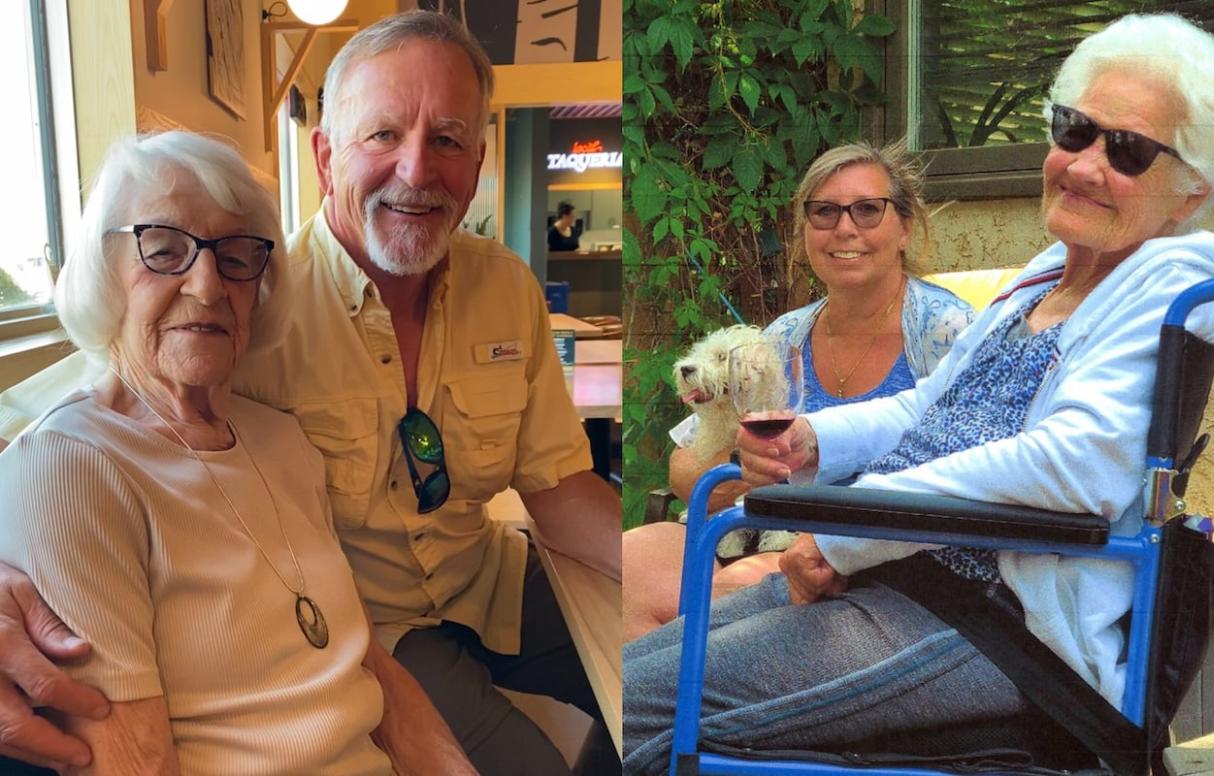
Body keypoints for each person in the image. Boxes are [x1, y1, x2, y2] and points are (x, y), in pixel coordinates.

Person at [0, 11, 619, 776]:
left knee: (654, 682)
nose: (418, 170)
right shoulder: (246, 316)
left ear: (479, 159)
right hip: (378, 629)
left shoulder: (498, 289)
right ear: (325, 157)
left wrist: (683, 568)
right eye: (383, 135)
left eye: (448, 139)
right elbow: (66, 427)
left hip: (480, 577)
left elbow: (558, 487)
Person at [623, 13, 1214, 773]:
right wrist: (816, 442)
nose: (1084, 165)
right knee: (631, 675)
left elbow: (1076, 467)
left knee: (641, 712)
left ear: (1189, 194)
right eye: (1074, 129)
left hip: (997, 626)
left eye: (1130, 150)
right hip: (905, 580)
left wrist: (849, 527)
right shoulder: (1048, 273)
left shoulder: (1169, 282)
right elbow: (932, 407)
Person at [0, 131, 473, 774]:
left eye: (237, 256)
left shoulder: (281, 439)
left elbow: (367, 665)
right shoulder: (69, 469)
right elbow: (130, 761)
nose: (207, 285)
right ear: (103, 273)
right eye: (163, 250)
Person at [622, 142, 975, 642]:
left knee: (727, 595)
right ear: (804, 232)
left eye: (868, 210)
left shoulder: (945, 330)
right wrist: (745, 471)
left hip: (867, 560)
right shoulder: (784, 337)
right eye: (824, 212)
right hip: (758, 534)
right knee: (628, 566)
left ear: (905, 227)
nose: (845, 229)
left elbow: (975, 463)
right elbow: (683, 466)